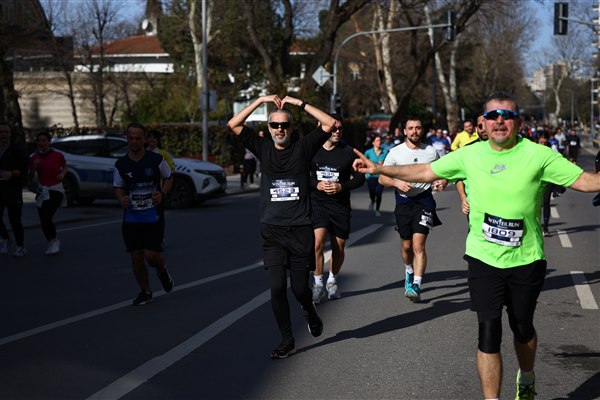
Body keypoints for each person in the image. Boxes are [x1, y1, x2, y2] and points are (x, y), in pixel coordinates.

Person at [352, 91, 600, 400]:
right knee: (488, 332)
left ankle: (527, 376)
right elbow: (425, 171)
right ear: (484, 122)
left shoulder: (539, 155)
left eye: (507, 116)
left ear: (518, 123)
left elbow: (587, 182)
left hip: (526, 258)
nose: (500, 121)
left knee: (522, 328)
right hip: (483, 258)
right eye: (493, 116)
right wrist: (380, 169)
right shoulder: (469, 155)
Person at [227, 94, 336, 359]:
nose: (279, 129)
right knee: (276, 288)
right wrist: (261, 100)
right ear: (268, 128)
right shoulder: (262, 148)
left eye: (284, 125)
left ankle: (309, 310)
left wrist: (298, 103)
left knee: (299, 289)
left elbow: (330, 122)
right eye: (275, 125)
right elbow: (234, 124)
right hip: (272, 230)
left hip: (300, 229)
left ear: (291, 128)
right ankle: (287, 340)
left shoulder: (303, 148)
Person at [378, 117, 447, 302]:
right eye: (411, 128)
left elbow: (443, 172)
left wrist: (442, 181)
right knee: (406, 246)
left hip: (424, 201)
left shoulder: (431, 152)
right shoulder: (395, 153)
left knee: (418, 245)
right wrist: (397, 183)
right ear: (405, 131)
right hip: (403, 202)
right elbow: (382, 178)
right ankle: (409, 270)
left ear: (422, 130)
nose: (414, 131)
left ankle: (416, 284)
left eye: (417, 128)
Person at [114, 123, 174, 306]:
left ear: (144, 139)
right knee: (136, 256)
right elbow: (118, 187)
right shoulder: (121, 164)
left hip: (153, 215)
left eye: (138, 138)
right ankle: (145, 291)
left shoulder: (156, 160)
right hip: (131, 217)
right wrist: (121, 199)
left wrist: (162, 193)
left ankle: (161, 268)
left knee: (150, 255)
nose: (134, 141)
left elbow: (169, 178)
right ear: (127, 138)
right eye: (130, 138)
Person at [310, 114, 365, 304]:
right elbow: (300, 175)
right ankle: (318, 284)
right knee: (317, 243)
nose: (337, 131)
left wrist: (342, 186)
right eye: (334, 128)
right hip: (317, 203)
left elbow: (360, 178)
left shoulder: (348, 152)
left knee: (338, 247)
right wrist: (316, 184)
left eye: (340, 128)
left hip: (339, 205)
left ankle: (332, 280)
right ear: (322, 127)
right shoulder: (311, 149)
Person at [29, 131, 67, 255]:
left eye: (44, 140)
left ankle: (54, 240)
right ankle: (51, 241)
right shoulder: (34, 157)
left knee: (47, 217)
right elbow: (30, 177)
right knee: (42, 220)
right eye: (39, 141)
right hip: (43, 190)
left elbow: (65, 166)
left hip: (56, 189)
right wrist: (34, 168)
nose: (41, 143)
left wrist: (62, 174)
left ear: (49, 142)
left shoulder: (58, 155)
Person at [0, 123, 27, 257]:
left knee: (14, 219)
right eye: (1, 132)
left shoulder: (17, 150)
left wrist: (11, 173)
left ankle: (20, 246)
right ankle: (5, 238)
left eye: (6, 132)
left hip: (13, 189)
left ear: (10, 134)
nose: (3, 134)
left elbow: (24, 169)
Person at [146, 130, 174, 249]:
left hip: (158, 191)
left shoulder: (162, 154)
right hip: (144, 191)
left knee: (158, 216)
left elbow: (171, 169)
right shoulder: (143, 153)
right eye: (150, 137)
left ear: (158, 140)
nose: (152, 140)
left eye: (154, 138)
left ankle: (160, 238)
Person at [456, 114, 488, 216]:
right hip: (475, 207)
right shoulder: (466, 149)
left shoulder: (506, 148)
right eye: (480, 126)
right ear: (476, 128)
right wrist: (463, 197)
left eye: (486, 125)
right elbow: (457, 175)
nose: (484, 129)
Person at [364, 135, 388, 217]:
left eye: (380, 140)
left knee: (379, 193)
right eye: (377, 140)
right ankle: (372, 200)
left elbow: (390, 163)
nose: (379, 142)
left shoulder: (385, 152)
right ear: (373, 142)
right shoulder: (368, 152)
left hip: (381, 176)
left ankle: (377, 209)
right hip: (371, 176)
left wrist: (384, 163)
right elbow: (364, 162)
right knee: (372, 193)